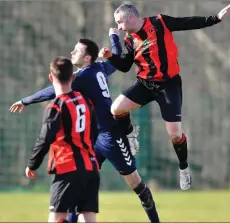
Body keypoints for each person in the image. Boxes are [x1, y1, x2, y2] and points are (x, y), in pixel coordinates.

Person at [11, 39, 160, 223]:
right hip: (93, 139)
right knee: (79, 186)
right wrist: (113, 38)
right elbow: (115, 59)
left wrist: (26, 100)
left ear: (88, 57)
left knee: (136, 184)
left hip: (111, 136)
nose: (72, 52)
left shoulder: (82, 77)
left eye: (77, 50)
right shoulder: (99, 68)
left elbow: (54, 89)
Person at [98, 3, 230, 191]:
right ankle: (130, 133)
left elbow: (187, 22)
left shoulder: (160, 22)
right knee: (116, 108)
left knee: (175, 135)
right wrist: (111, 56)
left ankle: (183, 167)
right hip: (145, 84)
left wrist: (215, 19)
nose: (118, 27)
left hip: (168, 85)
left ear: (130, 17)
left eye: (119, 22)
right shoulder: (130, 40)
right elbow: (125, 66)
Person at [25, 56, 100, 223]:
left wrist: (32, 164)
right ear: (73, 77)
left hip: (68, 168)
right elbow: (94, 132)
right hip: (91, 167)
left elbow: (44, 139)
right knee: (88, 217)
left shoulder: (56, 106)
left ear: (51, 77)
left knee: (57, 217)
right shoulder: (86, 101)